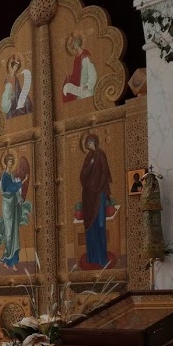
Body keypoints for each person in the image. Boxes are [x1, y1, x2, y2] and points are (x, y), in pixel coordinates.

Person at [0, 153, 32, 271]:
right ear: (6, 163)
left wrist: (20, 199)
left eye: (12, 162)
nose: (10, 164)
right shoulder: (4, 177)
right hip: (7, 207)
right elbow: (10, 189)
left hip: (14, 206)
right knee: (9, 233)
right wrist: (22, 181)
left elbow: (15, 191)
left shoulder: (11, 176)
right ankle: (8, 260)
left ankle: (13, 262)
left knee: (15, 233)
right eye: (9, 162)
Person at [80, 134, 113, 268]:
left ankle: (101, 258)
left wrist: (99, 187)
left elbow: (105, 172)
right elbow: (82, 176)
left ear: (95, 142)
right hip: (88, 196)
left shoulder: (101, 155)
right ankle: (92, 256)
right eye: (87, 144)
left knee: (100, 224)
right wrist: (90, 166)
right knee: (90, 226)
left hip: (99, 194)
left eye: (90, 142)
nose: (89, 145)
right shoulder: (88, 157)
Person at [62, 33, 97, 102]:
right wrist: (69, 78)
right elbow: (76, 75)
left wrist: (87, 85)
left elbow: (93, 74)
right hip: (78, 91)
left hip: (86, 90)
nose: (73, 47)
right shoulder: (76, 58)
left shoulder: (86, 56)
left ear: (76, 44)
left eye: (73, 45)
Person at [1, 54, 33, 119]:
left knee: (27, 101)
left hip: (17, 98)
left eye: (17, 66)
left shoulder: (16, 79)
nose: (16, 67)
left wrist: (23, 98)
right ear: (12, 66)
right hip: (11, 100)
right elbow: (7, 93)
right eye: (15, 65)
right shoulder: (8, 78)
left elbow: (19, 90)